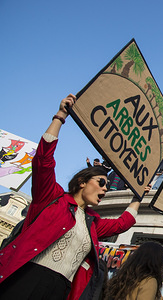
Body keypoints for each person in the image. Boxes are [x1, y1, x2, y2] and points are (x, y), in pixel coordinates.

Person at [0, 94, 145, 300]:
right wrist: (60, 116)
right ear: (82, 182)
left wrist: (139, 196)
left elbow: (122, 224)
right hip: (27, 277)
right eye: (101, 182)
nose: (105, 189)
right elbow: (43, 161)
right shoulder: (51, 198)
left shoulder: (92, 222)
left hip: (60, 289)